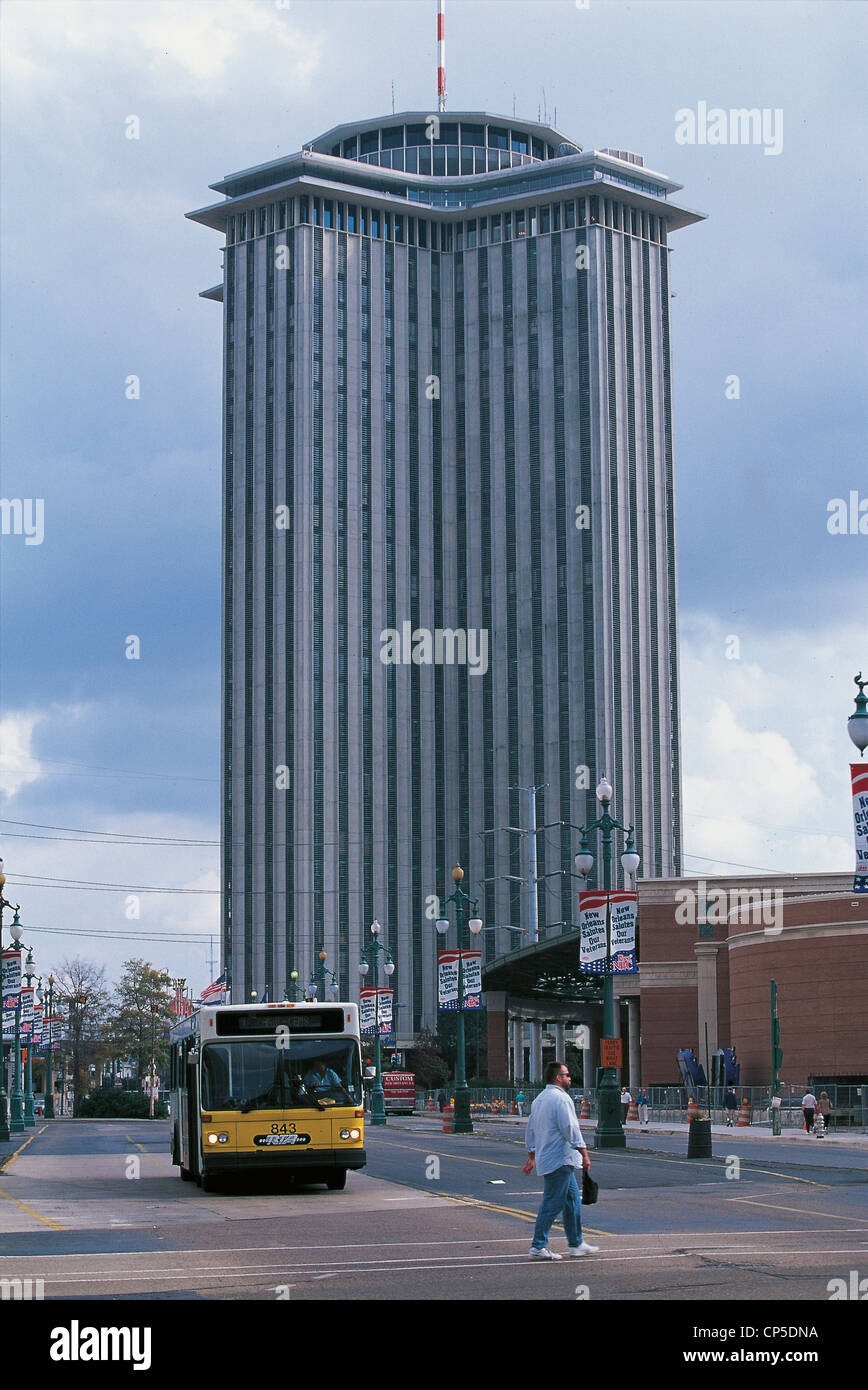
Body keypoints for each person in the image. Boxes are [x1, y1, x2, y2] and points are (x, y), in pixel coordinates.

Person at [523, 1060, 598, 1261]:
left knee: (572, 1201)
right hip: (560, 1159)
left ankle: (576, 1244)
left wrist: (531, 1155)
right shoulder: (561, 1099)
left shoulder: (539, 1099)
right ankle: (538, 1246)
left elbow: (530, 1128)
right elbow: (570, 1129)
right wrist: (585, 1153)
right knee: (552, 1202)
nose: (569, 1077)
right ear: (558, 1078)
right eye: (566, 1074)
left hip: (550, 1157)